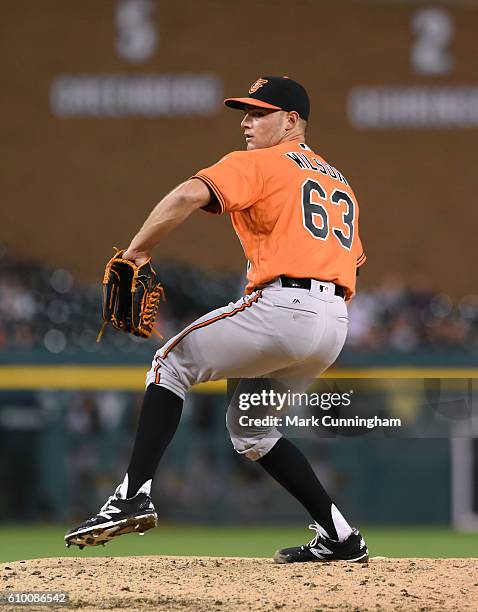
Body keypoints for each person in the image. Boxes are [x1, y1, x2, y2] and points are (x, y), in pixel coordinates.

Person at [65, 76, 368, 563]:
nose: (246, 123)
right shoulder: (340, 182)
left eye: (258, 113)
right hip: (333, 322)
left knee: (169, 363)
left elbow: (187, 196)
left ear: (291, 122)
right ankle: (341, 536)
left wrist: (136, 253)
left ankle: (130, 496)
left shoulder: (260, 162)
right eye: (244, 113)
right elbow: (350, 258)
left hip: (283, 309)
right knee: (252, 430)